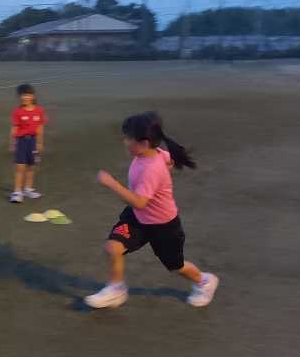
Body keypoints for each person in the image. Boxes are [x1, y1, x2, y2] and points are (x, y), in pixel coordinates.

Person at [85, 111, 219, 308]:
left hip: (163, 226)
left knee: (176, 266)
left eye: (128, 139)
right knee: (113, 247)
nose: (125, 142)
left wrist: (112, 183)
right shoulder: (154, 154)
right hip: (137, 218)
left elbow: (140, 202)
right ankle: (116, 289)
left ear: (144, 143)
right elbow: (168, 158)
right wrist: (170, 162)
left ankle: (204, 281)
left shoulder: (150, 169)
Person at [9, 83, 47, 203]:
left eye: (27, 95)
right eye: (22, 95)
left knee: (31, 166)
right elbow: (14, 128)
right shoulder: (18, 112)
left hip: (33, 141)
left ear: (33, 96)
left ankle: (28, 189)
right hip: (21, 141)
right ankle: (17, 192)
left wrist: (40, 143)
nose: (24, 97)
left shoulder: (39, 111)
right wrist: (13, 143)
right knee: (20, 167)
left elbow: (40, 127)